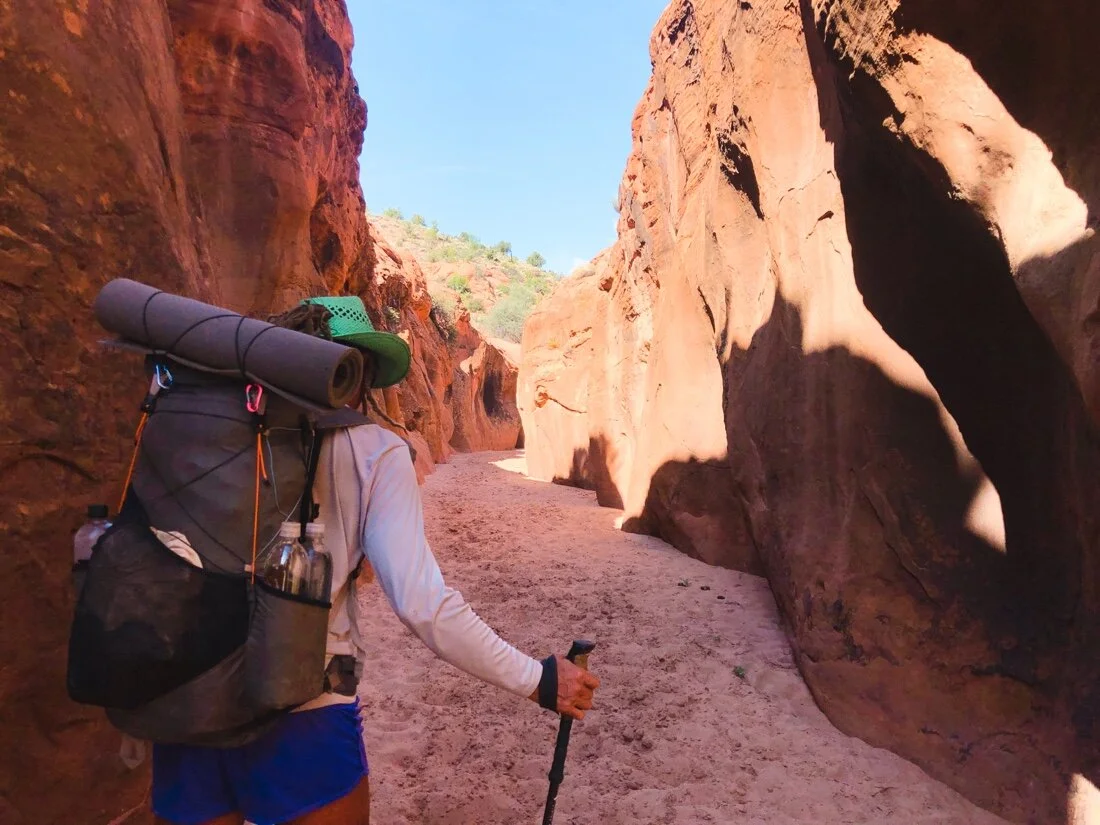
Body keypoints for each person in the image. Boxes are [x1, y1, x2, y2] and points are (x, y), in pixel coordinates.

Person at [150, 295, 601, 825]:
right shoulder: (375, 451)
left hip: (186, 699)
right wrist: (538, 679)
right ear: (359, 373)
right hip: (303, 710)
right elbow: (422, 603)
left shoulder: (207, 431)